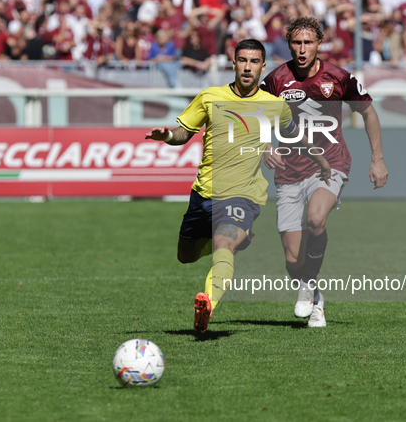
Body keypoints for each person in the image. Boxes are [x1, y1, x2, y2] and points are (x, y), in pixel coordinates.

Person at [145, 39, 332, 333]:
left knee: (224, 244)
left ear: (262, 66)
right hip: (204, 193)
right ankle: (240, 239)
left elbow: (294, 135)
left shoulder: (274, 105)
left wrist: (320, 160)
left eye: (254, 61)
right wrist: (168, 135)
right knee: (186, 255)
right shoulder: (210, 97)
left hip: (244, 194)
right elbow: (184, 132)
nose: (247, 67)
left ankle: (208, 303)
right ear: (233, 63)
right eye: (242, 60)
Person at [261, 17, 388, 328]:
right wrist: (266, 145)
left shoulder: (339, 77)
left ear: (319, 44)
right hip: (289, 172)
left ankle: (308, 284)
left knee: (316, 218)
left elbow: (368, 112)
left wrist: (378, 159)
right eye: (296, 43)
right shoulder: (275, 79)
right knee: (292, 261)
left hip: (330, 164)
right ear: (289, 44)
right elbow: (258, 115)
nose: (302, 49)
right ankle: (314, 293)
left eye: (308, 43)